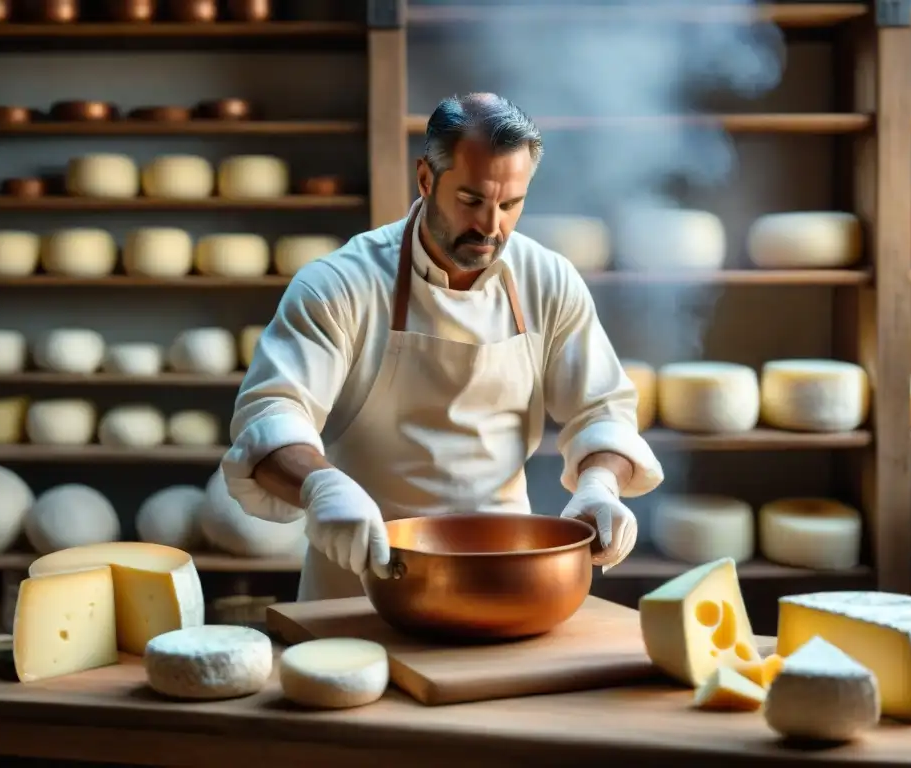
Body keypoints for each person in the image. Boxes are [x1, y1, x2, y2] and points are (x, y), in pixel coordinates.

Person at [220, 92, 665, 601]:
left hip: (502, 578)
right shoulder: (340, 284)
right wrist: (323, 490)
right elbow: (269, 415)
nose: (491, 227)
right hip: (360, 580)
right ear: (427, 178)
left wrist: (600, 485)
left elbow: (603, 411)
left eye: (510, 204)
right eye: (472, 200)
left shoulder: (547, 280)